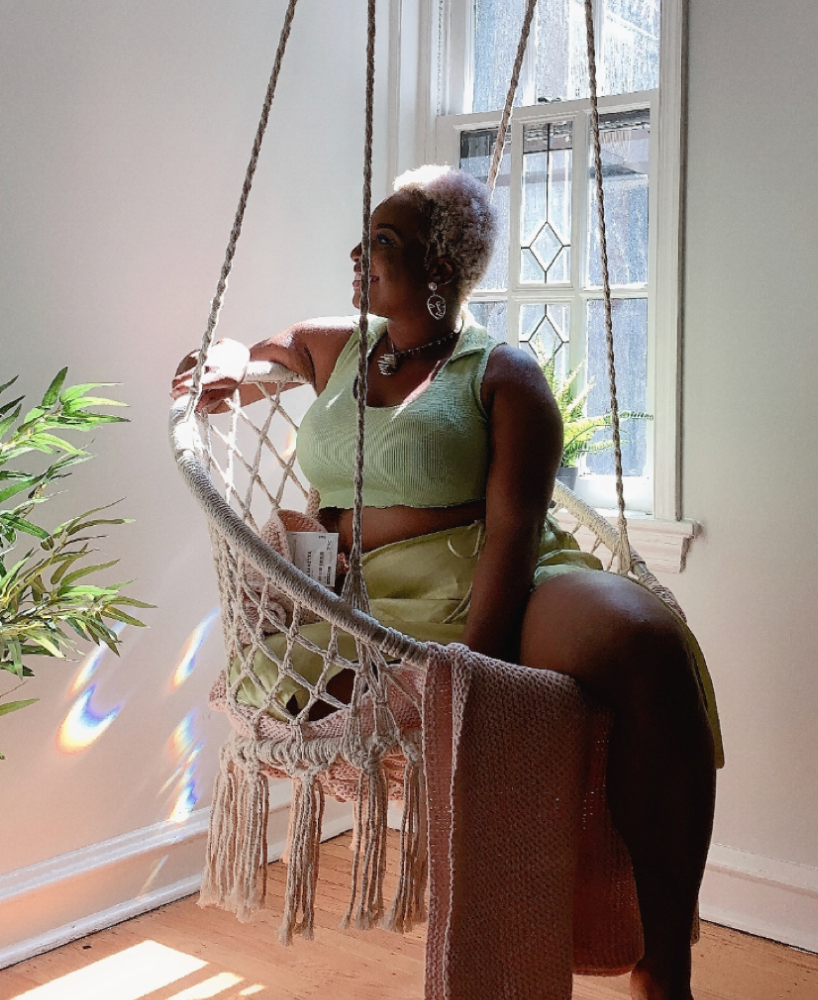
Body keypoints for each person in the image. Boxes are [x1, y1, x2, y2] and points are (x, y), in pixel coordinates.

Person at [172, 165, 721, 1000]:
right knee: (288, 684)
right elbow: (265, 354)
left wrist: (475, 672)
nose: (357, 253)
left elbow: (512, 534)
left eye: (382, 240)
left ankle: (664, 967)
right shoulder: (339, 344)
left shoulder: (503, 375)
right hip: (369, 598)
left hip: (492, 576)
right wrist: (223, 360)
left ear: (438, 266)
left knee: (650, 645)